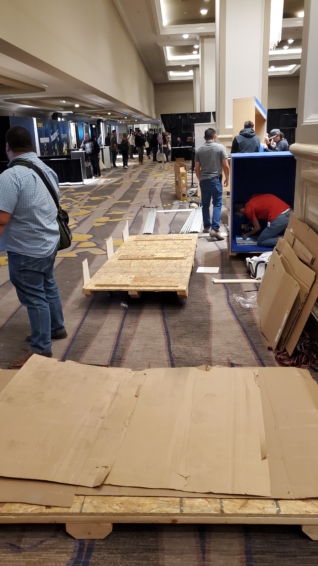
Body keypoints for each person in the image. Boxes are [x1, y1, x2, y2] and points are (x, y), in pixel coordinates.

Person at [0, 126, 67, 369]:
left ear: (8, 147)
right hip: (48, 241)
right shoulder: (46, 169)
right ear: (31, 145)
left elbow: (1, 219)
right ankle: (56, 328)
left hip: (26, 247)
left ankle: (41, 347)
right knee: (47, 284)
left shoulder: (10, 177)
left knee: (34, 295)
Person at [195, 128, 229, 240]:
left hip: (204, 181)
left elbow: (197, 168)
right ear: (214, 136)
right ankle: (215, 229)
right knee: (217, 204)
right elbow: (226, 165)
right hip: (215, 180)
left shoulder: (199, 150)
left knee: (205, 204)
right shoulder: (220, 148)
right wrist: (227, 177)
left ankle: (206, 227)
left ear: (205, 138)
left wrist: (200, 178)